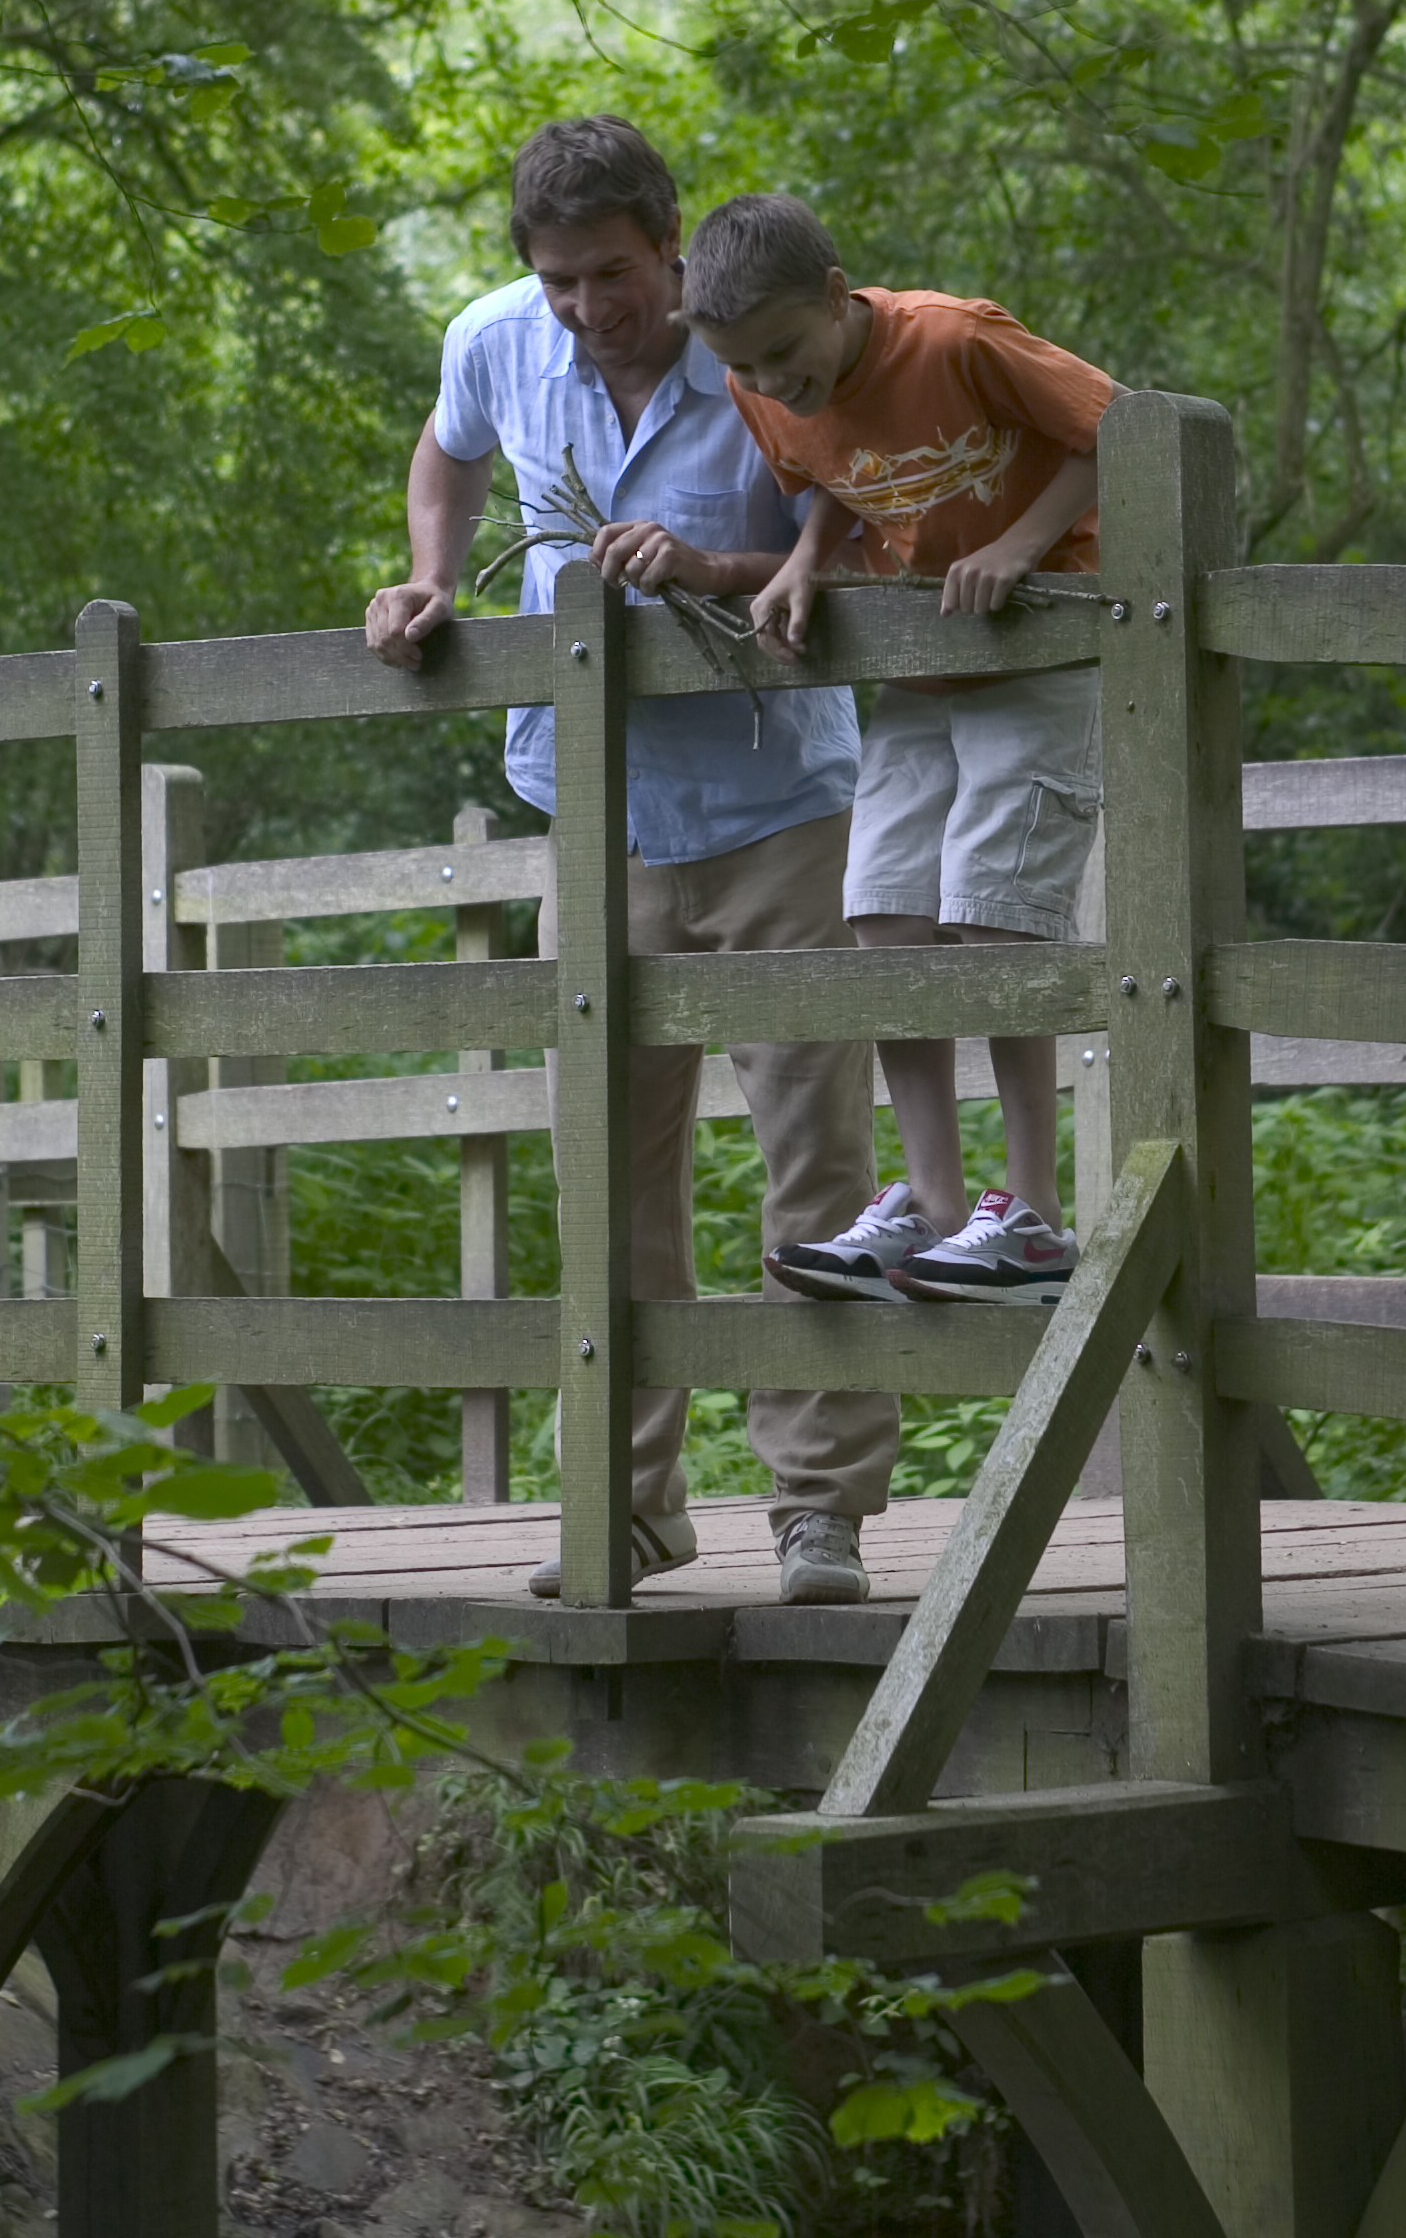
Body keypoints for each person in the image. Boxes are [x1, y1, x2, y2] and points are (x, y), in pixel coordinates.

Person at [361, 120, 894, 1605]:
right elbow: (447, 448)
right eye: (560, 283)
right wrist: (424, 572)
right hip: (588, 807)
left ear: (669, 239)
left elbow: (860, 500)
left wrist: (774, 572)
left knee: (815, 1166)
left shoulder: (761, 341)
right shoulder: (496, 340)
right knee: (604, 1168)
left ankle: (820, 1509)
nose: (590, 308)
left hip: (778, 807)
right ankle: (626, 1499)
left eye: (611, 274)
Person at [691, 191, 1114, 1307]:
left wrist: (1024, 546)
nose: (774, 383)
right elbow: (831, 482)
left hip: (1038, 652)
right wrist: (802, 565)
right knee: (882, 911)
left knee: (992, 913)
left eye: (785, 351)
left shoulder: (953, 338)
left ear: (837, 296)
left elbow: (1117, 426)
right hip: (920, 672)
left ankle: (1029, 1211)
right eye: (746, 368)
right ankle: (930, 1202)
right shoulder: (759, 386)